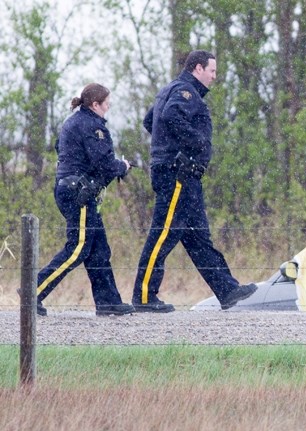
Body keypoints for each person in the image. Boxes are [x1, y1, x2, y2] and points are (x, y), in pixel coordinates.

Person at [131, 50, 257, 312]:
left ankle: (227, 289)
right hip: (177, 174)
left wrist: (166, 145)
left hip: (185, 176)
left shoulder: (171, 89)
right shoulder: (186, 92)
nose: (214, 76)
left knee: (198, 238)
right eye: (212, 70)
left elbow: (149, 121)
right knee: (163, 234)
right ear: (197, 68)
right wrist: (195, 143)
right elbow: (169, 117)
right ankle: (143, 297)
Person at [36, 83, 136, 317]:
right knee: (78, 248)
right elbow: (103, 162)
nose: (108, 108)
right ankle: (34, 292)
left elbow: (60, 147)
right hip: (78, 195)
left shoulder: (74, 121)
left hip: (73, 190)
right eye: (106, 104)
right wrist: (123, 166)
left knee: (99, 249)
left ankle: (108, 301)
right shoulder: (92, 126)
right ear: (95, 105)